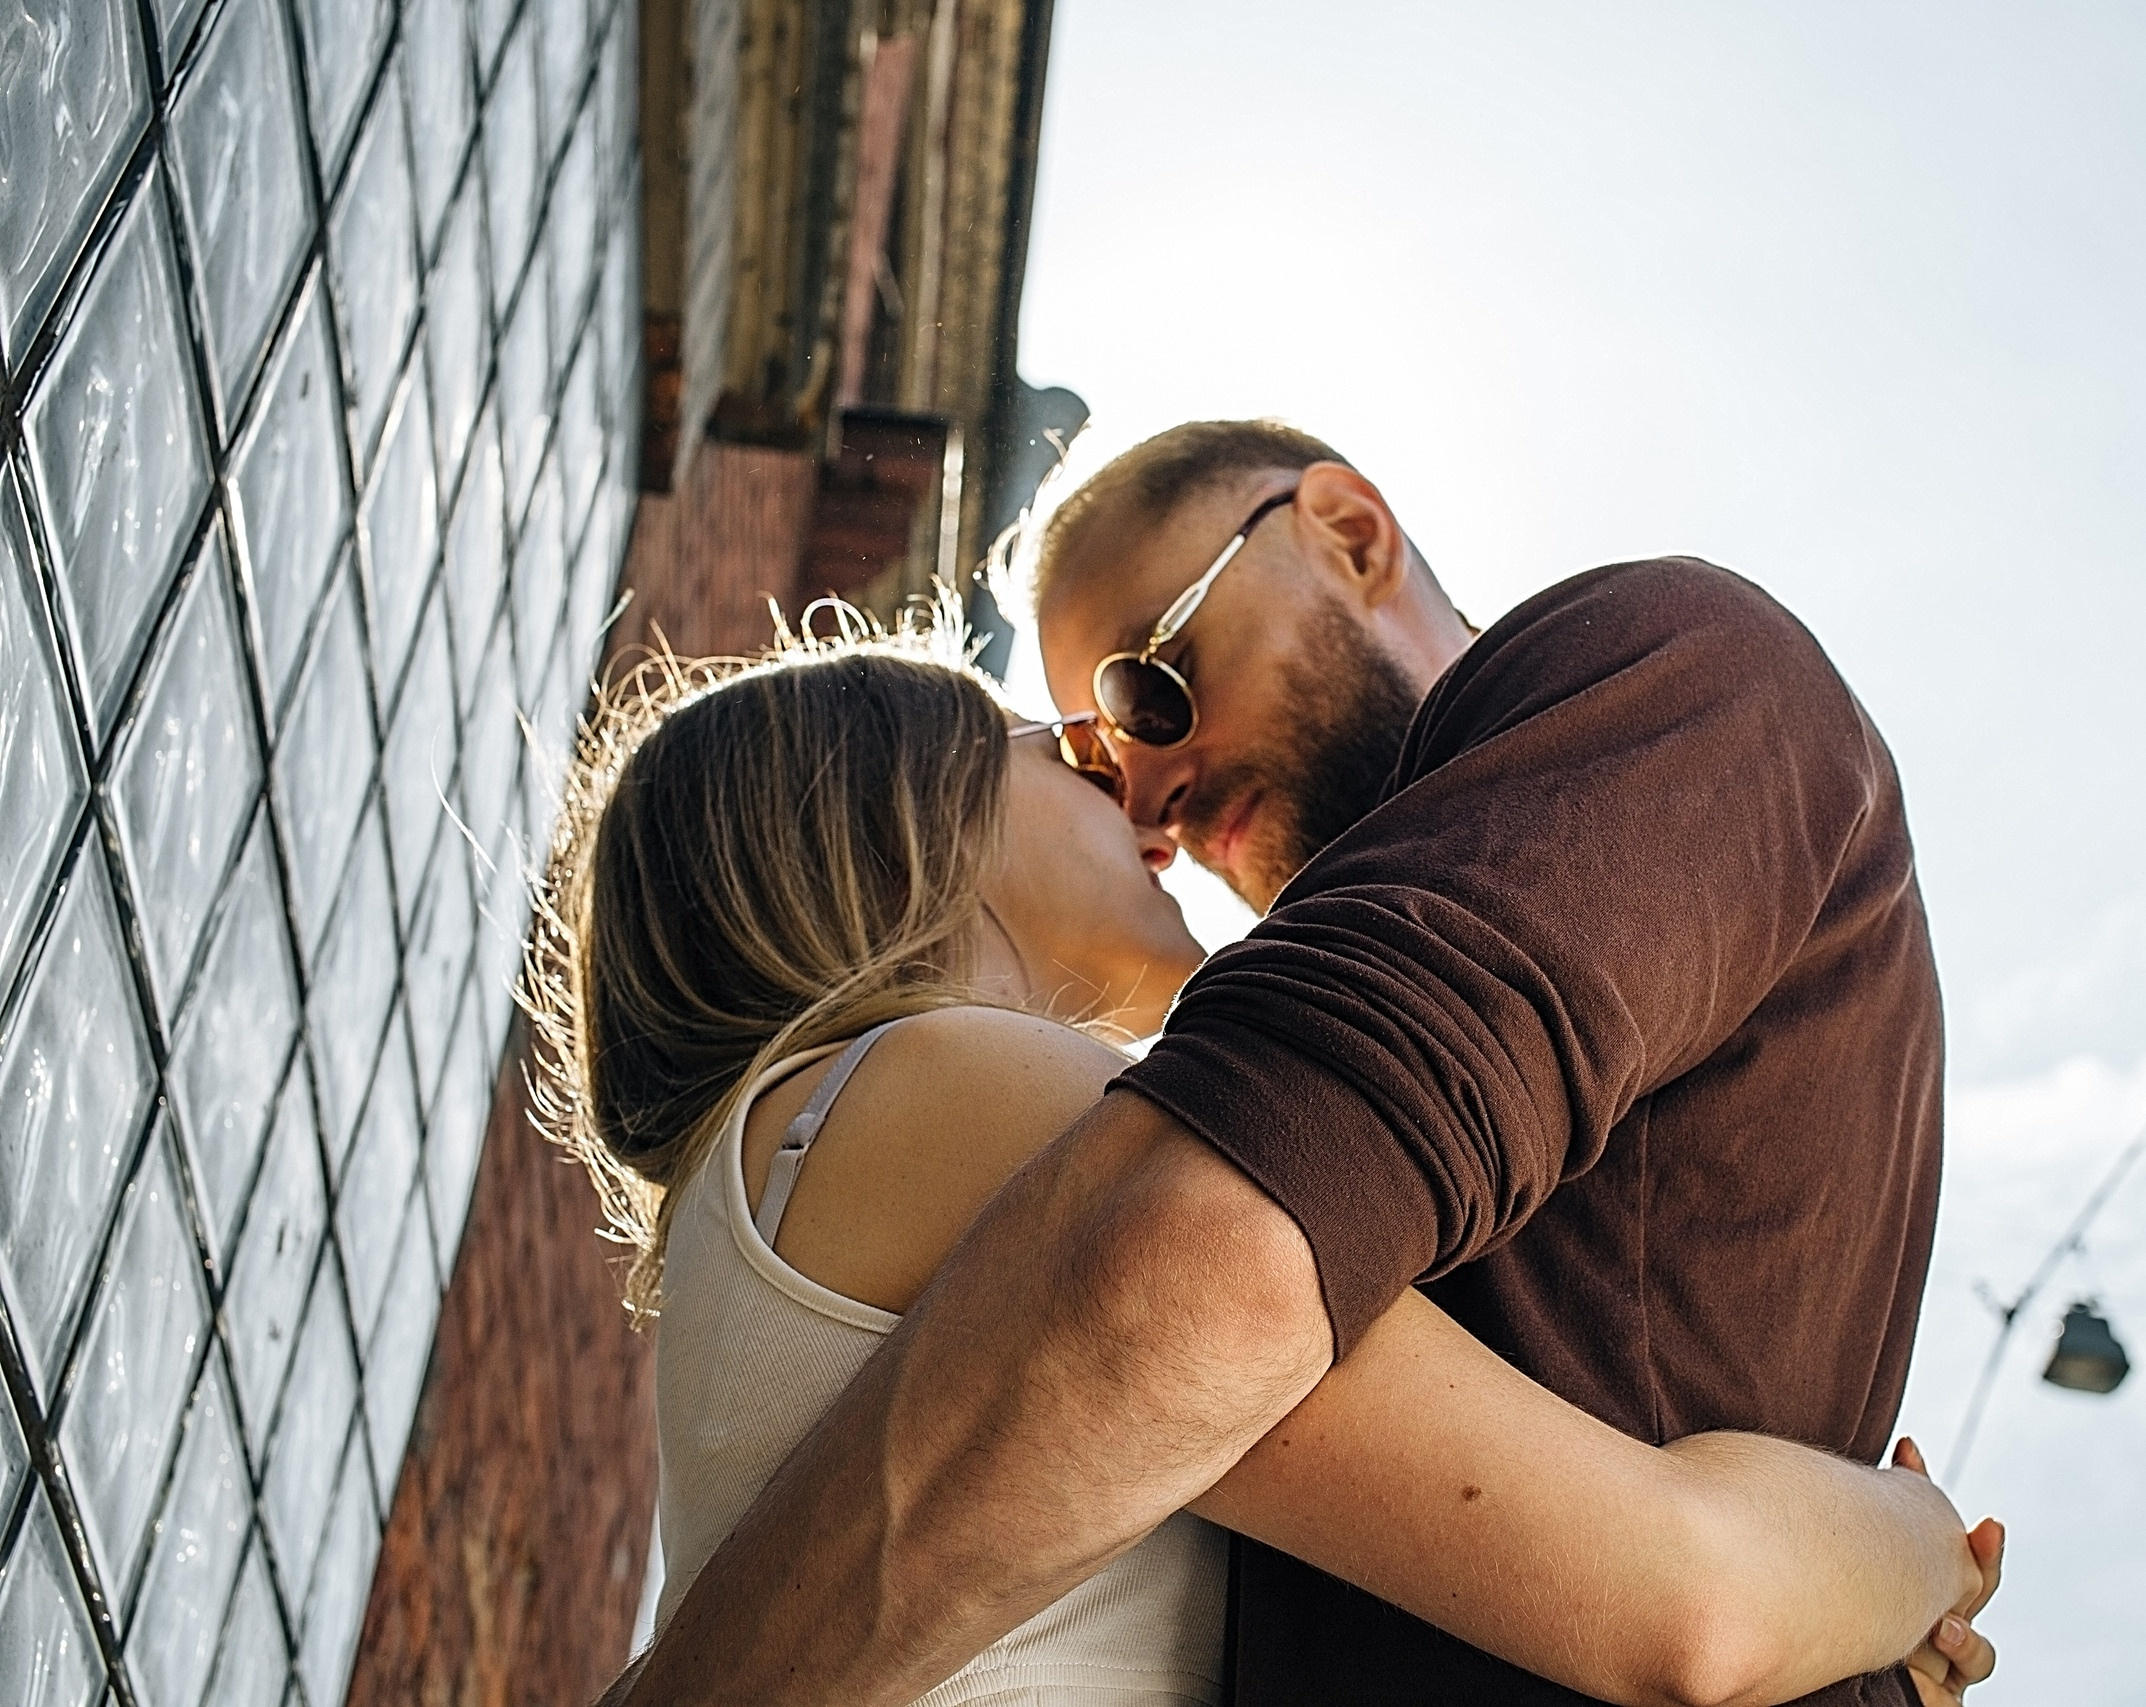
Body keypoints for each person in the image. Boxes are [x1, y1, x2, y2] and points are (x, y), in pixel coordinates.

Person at [608, 420, 1989, 1707]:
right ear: (903, 838)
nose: (1146, 800)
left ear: (1346, 529)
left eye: (1148, 689)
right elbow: (1696, 1600)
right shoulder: (939, 1098)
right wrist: (1909, 1543)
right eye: (1077, 753)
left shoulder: (852, 1152)